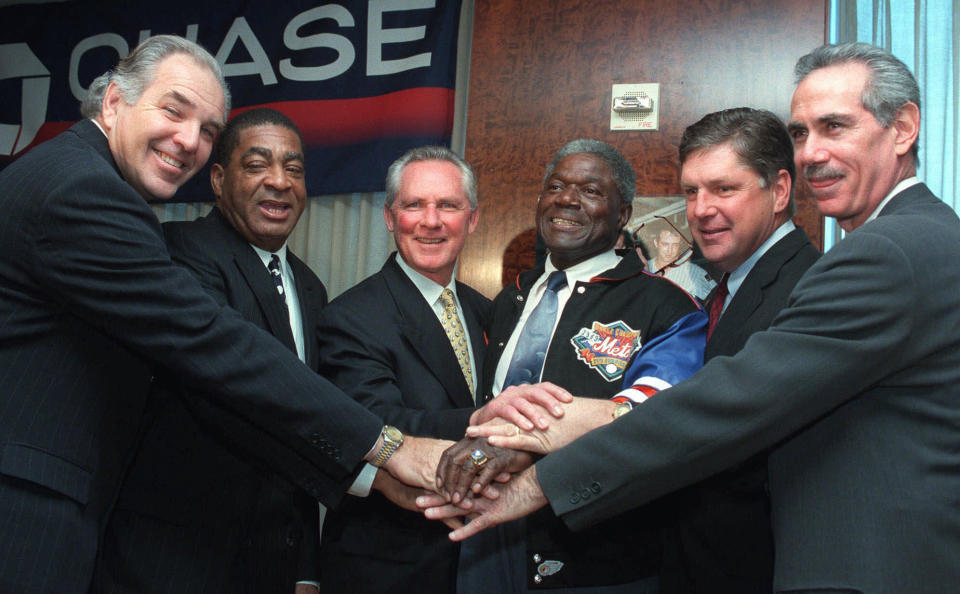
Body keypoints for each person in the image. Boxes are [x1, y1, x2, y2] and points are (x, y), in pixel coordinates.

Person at [425, 42, 960, 594]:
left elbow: (729, 402)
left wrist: (539, 479)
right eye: (801, 133)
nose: (811, 154)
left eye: (835, 127)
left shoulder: (887, 252)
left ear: (903, 128)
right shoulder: (903, 240)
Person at [0, 34, 451, 594]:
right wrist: (391, 446)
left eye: (208, 128)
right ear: (113, 101)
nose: (189, 140)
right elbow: (213, 344)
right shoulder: (83, 190)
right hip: (30, 510)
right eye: (173, 109)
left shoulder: (87, 180)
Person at [447, 139, 706, 592]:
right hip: (489, 540)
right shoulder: (510, 300)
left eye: (590, 190)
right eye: (556, 186)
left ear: (623, 214)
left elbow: (658, 414)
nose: (567, 199)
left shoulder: (665, 306)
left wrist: (531, 444)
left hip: (602, 554)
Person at [100, 108, 327, 593]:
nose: (279, 182)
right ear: (219, 180)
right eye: (257, 165)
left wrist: (306, 566)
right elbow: (249, 389)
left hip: (271, 566)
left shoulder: (311, 288)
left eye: (294, 168)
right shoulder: (174, 253)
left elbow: (308, 433)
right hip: (170, 563)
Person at [314, 146, 491, 593]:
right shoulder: (350, 317)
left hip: (483, 558)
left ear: (471, 219)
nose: (430, 221)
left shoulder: (491, 313)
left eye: (448, 205)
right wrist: (498, 421)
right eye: (414, 205)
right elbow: (375, 421)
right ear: (391, 218)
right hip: (389, 565)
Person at [660, 107, 820, 593]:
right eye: (691, 191)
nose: (701, 209)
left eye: (724, 189)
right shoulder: (720, 293)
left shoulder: (809, 289)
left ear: (779, 191)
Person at [646, 227, 715, 300]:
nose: (670, 250)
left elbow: (716, 296)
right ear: (656, 243)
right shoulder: (643, 268)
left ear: (680, 245)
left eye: (675, 245)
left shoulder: (695, 272)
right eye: (665, 244)